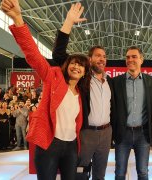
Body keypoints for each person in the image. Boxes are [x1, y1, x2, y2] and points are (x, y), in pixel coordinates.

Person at [0, 1, 90, 180]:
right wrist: (18, 18)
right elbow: (33, 55)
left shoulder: (80, 93)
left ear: (85, 73)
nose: (76, 67)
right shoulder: (54, 77)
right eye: (73, 63)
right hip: (49, 143)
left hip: (71, 146)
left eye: (81, 66)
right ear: (67, 66)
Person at [52, 17, 113, 180]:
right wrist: (68, 24)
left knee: (100, 173)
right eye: (98, 56)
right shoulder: (83, 78)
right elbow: (58, 54)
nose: (102, 59)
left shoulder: (109, 82)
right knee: (80, 172)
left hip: (106, 133)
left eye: (104, 56)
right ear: (90, 58)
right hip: (86, 133)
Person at [112, 46, 152, 180]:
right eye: (128, 57)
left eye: (134, 56)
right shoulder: (116, 82)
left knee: (143, 172)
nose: (130, 59)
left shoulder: (150, 81)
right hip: (122, 133)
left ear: (141, 60)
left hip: (142, 134)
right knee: (119, 172)